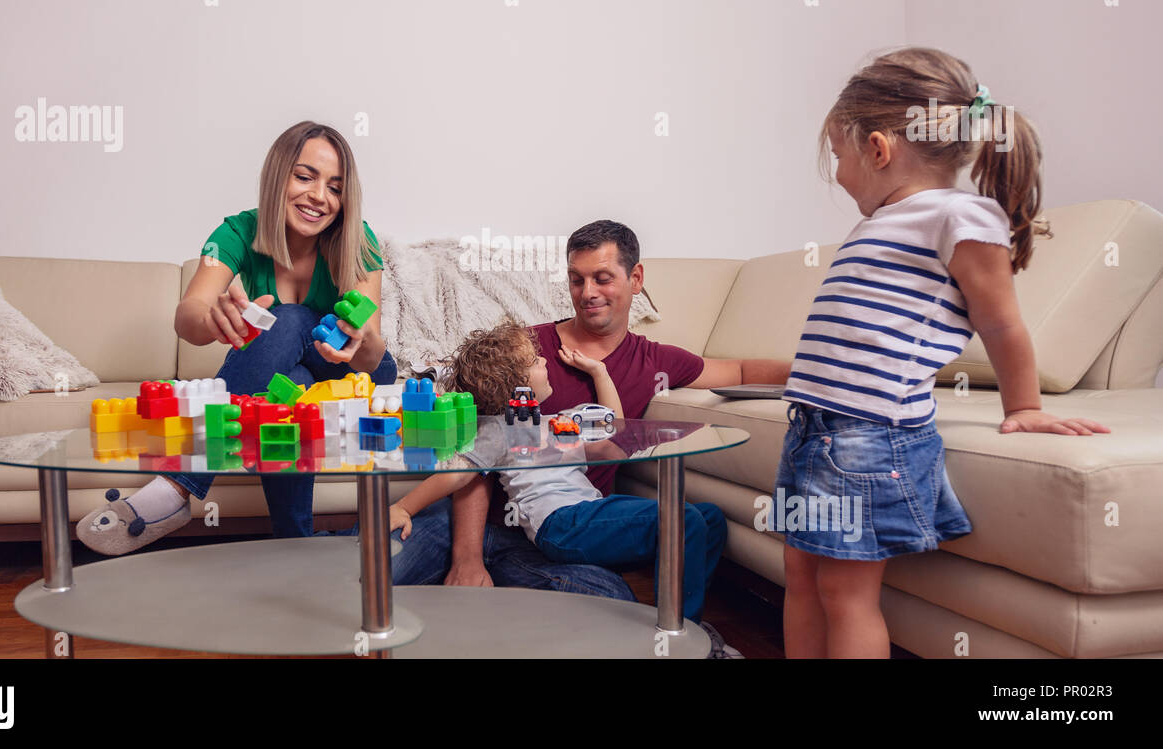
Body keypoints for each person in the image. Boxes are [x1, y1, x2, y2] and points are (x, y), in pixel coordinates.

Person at [775, 47, 1110, 659]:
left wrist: (1027, 405)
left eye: (839, 155)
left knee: (846, 596)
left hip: (867, 437)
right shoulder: (881, 222)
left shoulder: (960, 216)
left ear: (878, 148)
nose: (838, 170)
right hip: (812, 429)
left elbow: (1002, 325)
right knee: (799, 578)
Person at [389, 220, 791, 603]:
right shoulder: (523, 351)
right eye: (576, 279)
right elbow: (473, 459)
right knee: (370, 561)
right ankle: (481, 587)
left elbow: (738, 371)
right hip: (479, 524)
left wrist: (819, 370)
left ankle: (681, 633)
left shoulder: (653, 361)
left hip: (562, 531)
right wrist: (467, 557)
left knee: (612, 599)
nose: (587, 292)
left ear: (635, 280)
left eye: (602, 278)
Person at [78, 121, 398, 555]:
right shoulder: (238, 231)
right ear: (277, 176)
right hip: (294, 369)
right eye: (305, 177)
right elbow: (188, 316)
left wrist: (362, 340)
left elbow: (371, 350)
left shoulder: (359, 241)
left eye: (335, 188)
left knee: (286, 318)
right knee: (292, 387)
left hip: (357, 371)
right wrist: (213, 318)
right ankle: (294, 545)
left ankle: (177, 486)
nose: (320, 197)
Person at [389, 320, 728, 627]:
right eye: (534, 362)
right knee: (683, 519)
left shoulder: (559, 422)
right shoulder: (502, 429)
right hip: (561, 524)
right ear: (518, 384)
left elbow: (613, 432)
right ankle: (679, 631)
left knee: (709, 517)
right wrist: (405, 506)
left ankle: (683, 619)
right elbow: (458, 474)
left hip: (585, 516)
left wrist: (600, 373)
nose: (545, 361)